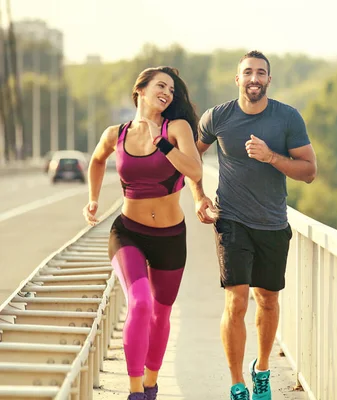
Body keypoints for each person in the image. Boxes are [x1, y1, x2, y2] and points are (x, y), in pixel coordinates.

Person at [190, 50, 317, 400]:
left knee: (268, 300)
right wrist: (199, 195)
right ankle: (237, 384)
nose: (254, 78)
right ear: (237, 79)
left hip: (274, 222)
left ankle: (261, 369)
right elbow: (191, 158)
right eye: (248, 72)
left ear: (269, 80)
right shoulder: (217, 117)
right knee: (238, 300)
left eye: (261, 73)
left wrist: (272, 157)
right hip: (232, 221)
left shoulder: (287, 118)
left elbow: (309, 171)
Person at [83, 66, 205, 400]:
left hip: (170, 236)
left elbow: (195, 170)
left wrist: (163, 144)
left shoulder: (176, 128)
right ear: (140, 89)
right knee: (139, 302)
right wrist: (92, 199)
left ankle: (151, 383)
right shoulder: (116, 134)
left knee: (160, 313)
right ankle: (135, 390)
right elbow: (96, 161)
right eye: (160, 85)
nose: (167, 92)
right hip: (128, 233)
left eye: (171, 89)